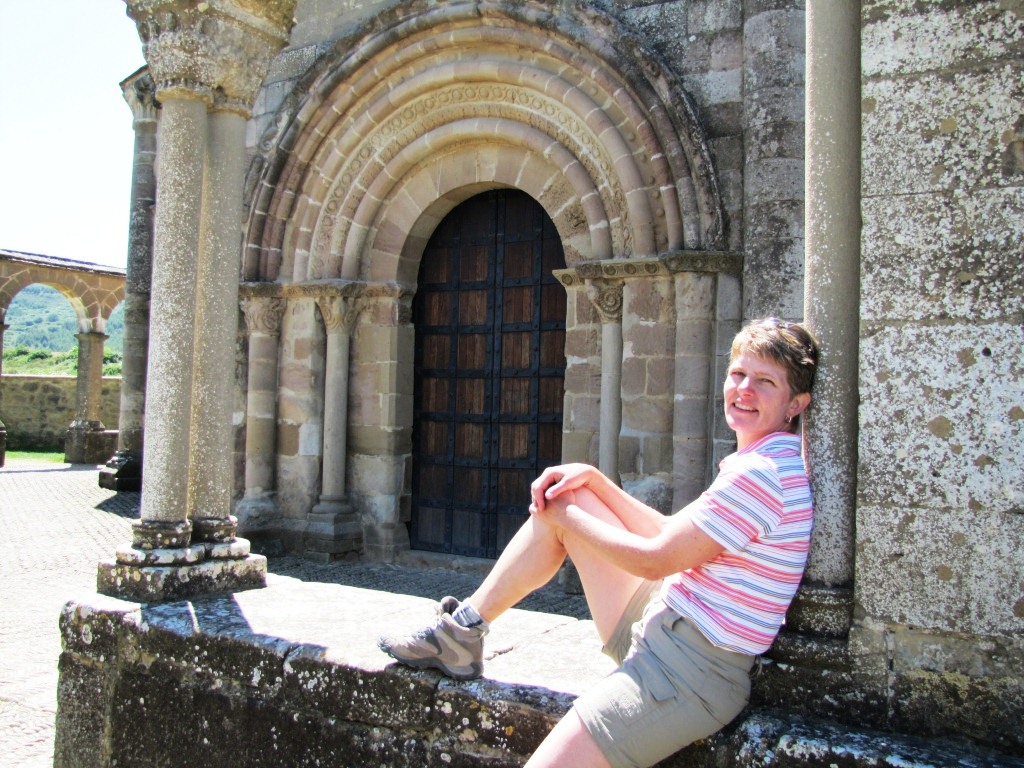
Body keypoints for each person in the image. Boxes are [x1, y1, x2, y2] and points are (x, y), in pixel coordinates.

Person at [378, 317, 820, 768]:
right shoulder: (765, 462)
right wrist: (594, 481)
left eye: (765, 382)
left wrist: (567, 518)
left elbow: (656, 560)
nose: (744, 389)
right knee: (568, 494)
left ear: (796, 404)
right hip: (665, 626)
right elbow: (669, 534)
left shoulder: (761, 475)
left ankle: (459, 634)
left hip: (685, 675)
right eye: (738, 373)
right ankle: (460, 632)